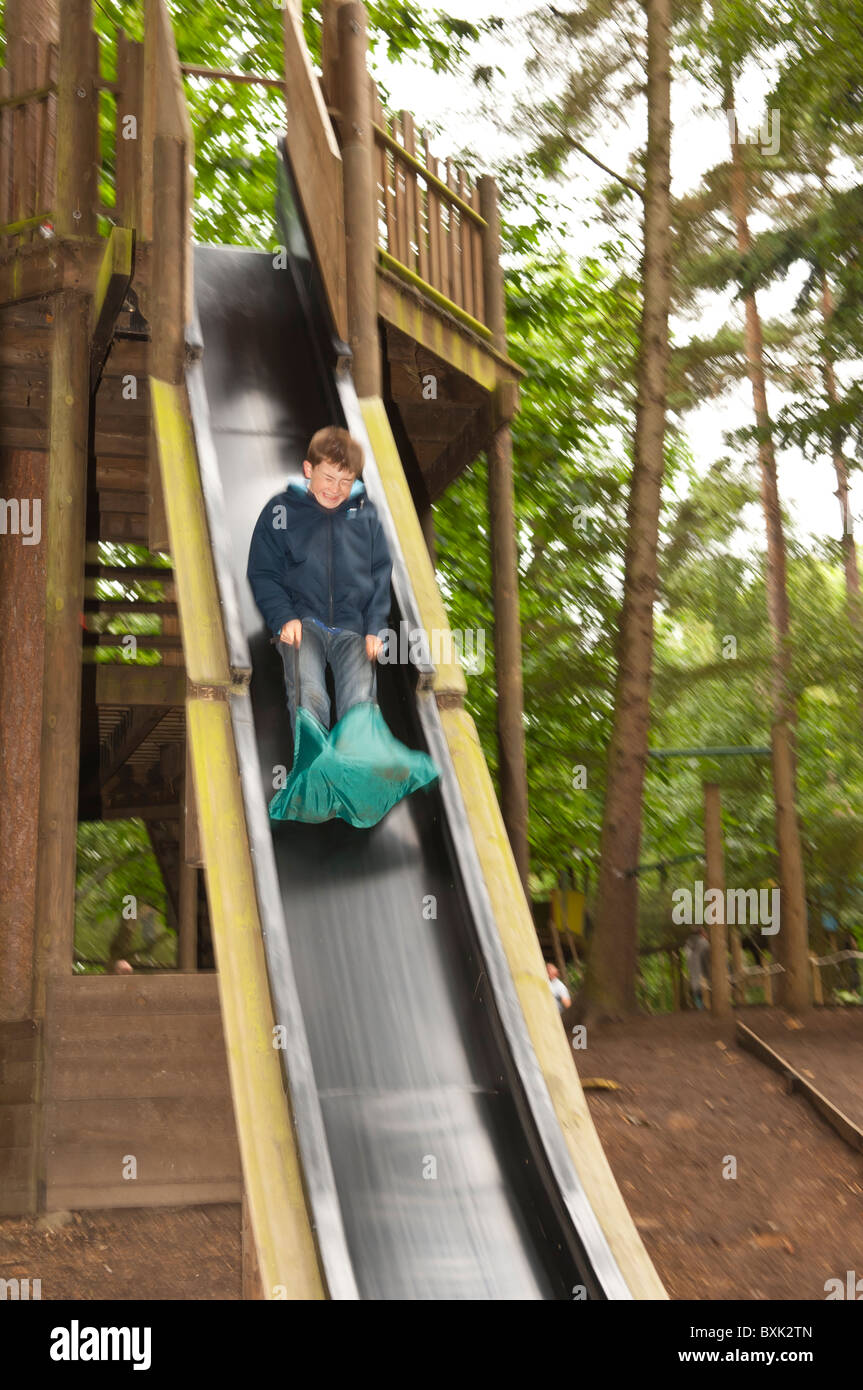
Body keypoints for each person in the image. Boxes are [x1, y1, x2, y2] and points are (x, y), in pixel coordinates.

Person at [246, 426, 392, 741]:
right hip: (302, 619)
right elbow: (263, 571)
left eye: (346, 481)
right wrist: (283, 616)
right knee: (309, 692)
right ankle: (312, 766)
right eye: (328, 477)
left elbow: (380, 571)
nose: (336, 489)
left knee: (360, 700)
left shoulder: (366, 515)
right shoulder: (281, 510)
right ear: (308, 469)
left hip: (352, 624)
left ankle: (354, 771)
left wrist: (375, 627)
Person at [684, 926, 711, 1010]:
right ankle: (704, 1007)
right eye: (704, 932)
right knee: (705, 991)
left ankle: (701, 1008)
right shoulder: (703, 942)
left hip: (694, 974)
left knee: (697, 991)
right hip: (704, 975)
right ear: (701, 933)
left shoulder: (687, 945)